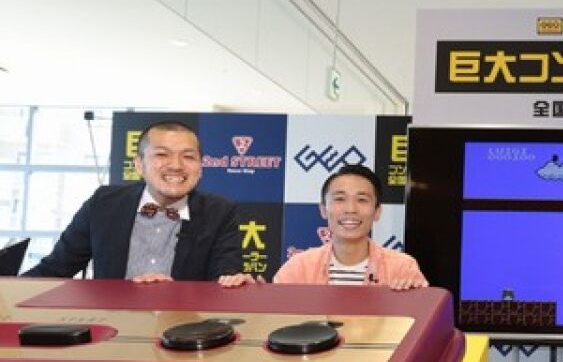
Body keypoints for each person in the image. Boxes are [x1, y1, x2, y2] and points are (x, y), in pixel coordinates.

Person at [23, 120, 240, 282]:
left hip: (183, 323)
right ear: (139, 164)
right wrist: (10, 290)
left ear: (200, 167)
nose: (176, 165)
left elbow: (224, 278)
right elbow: (55, 269)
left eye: (189, 156)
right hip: (112, 321)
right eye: (162, 154)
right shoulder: (103, 203)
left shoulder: (219, 212)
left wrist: (177, 293)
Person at [223, 164, 426, 290]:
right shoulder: (299, 267)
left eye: (362, 200)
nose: (350, 209)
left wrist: (415, 296)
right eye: (340, 199)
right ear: (323, 209)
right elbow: (275, 318)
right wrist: (252, 296)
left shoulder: (402, 267)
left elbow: (422, 325)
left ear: (377, 211)